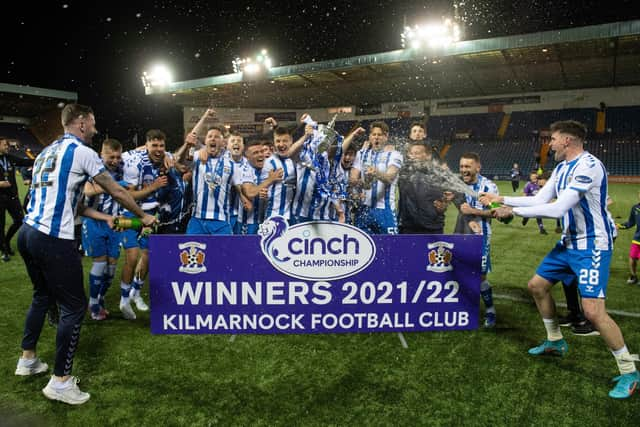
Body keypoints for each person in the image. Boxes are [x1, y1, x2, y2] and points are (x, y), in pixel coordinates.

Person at [483, 120, 638, 399]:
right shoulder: (561, 167)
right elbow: (540, 198)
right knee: (537, 286)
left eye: (552, 139)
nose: (549, 144)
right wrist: (499, 198)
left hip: (592, 245)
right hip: (569, 241)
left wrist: (511, 212)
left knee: (593, 311)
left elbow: (558, 209)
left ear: (567, 140)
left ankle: (629, 371)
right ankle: (555, 341)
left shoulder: (588, 166)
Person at [15, 103, 156, 405]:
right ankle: (61, 381)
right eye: (92, 124)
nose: (94, 129)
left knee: (42, 297)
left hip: (27, 233)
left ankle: (27, 360)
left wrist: (105, 218)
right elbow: (116, 191)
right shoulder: (83, 152)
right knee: (73, 307)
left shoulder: (47, 151)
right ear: (81, 124)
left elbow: (76, 205)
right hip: (53, 237)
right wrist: (142, 216)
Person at [119, 130, 170, 320]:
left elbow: (180, 156)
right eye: (154, 145)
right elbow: (128, 196)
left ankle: (136, 292)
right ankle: (124, 300)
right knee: (132, 257)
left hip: (151, 215)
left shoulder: (166, 157)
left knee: (148, 255)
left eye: (161, 146)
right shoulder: (134, 163)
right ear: (146, 145)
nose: (158, 149)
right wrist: (153, 187)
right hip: (130, 214)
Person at [81, 138, 126, 320]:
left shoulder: (122, 168)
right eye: (111, 157)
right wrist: (113, 187)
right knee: (100, 263)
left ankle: (100, 297)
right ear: (102, 154)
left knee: (111, 269)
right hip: (94, 221)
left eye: (117, 157)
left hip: (115, 224)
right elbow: (88, 191)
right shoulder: (94, 167)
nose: (115, 161)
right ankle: (93, 303)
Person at [453, 152, 498, 328]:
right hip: (460, 232)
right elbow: (456, 201)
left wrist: (474, 211)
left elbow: (496, 211)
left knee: (480, 276)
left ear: (477, 167)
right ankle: (463, 307)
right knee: (457, 270)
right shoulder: (457, 183)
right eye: (462, 166)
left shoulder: (489, 187)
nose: (464, 170)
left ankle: (490, 311)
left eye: (467, 166)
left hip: (481, 236)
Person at [181, 125, 243, 234]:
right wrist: (187, 145)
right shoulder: (197, 156)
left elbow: (240, 187)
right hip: (198, 219)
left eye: (217, 137)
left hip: (222, 221)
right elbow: (180, 165)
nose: (213, 139)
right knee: (192, 251)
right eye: (210, 136)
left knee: (226, 251)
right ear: (205, 141)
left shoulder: (232, 164)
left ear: (223, 143)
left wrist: (245, 199)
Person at [349, 121, 403, 234]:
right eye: (374, 134)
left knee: (390, 247)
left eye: (380, 135)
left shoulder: (394, 155)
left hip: (385, 210)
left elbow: (389, 177)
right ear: (369, 137)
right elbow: (352, 180)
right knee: (364, 247)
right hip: (364, 210)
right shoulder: (361, 154)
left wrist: (376, 173)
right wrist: (364, 183)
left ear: (386, 137)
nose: (376, 137)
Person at [398, 141, 451, 234]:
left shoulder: (439, 174)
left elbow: (448, 197)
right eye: (411, 153)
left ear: (428, 156)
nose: (413, 156)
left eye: (417, 153)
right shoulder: (402, 172)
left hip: (433, 227)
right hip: (408, 227)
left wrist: (445, 204)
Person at [237, 140, 284, 234]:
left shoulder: (267, 167)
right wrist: (270, 179)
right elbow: (250, 193)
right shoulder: (245, 169)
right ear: (247, 156)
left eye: (262, 151)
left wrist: (265, 196)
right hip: (247, 222)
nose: (260, 155)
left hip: (263, 221)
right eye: (255, 153)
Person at [0, 137, 34, 261]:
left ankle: (6, 241)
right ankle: (4, 250)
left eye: (8, 145)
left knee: (19, 220)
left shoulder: (9, 158)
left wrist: (41, 159)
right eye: (5, 145)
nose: (7, 147)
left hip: (12, 196)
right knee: (1, 224)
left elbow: (24, 162)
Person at [617, 190, 640, 285]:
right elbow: (630, 223)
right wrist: (618, 225)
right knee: (632, 258)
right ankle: (633, 276)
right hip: (637, 238)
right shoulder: (635, 208)